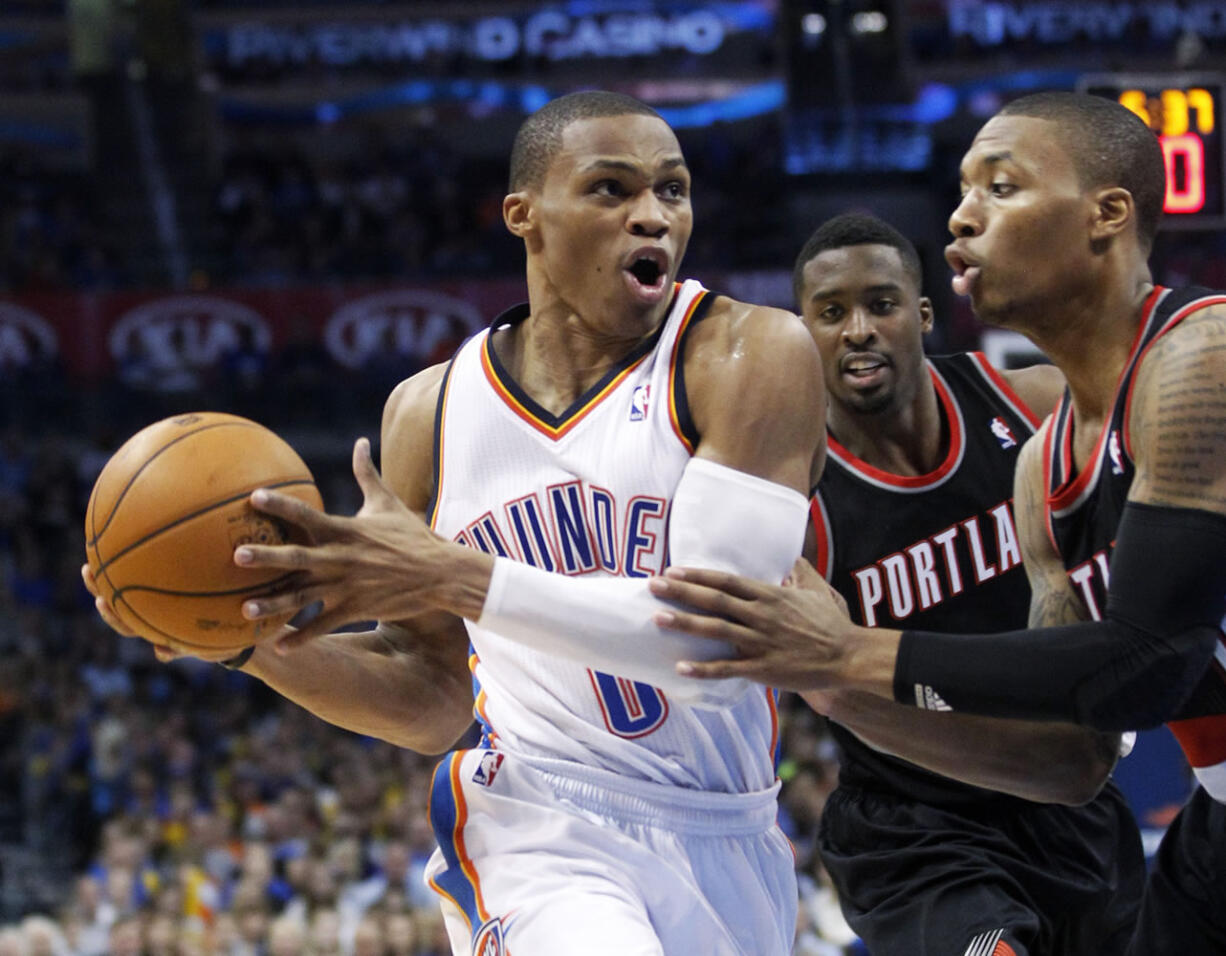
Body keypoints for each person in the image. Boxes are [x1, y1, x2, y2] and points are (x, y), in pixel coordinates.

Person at [84, 90, 825, 955]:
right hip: (540, 822)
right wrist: (249, 646)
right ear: (525, 216)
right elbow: (433, 694)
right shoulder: (429, 413)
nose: (652, 216)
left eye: (673, 189)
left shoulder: (751, 355)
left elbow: (712, 651)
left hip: (733, 830)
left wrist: (453, 574)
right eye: (611, 190)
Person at [647, 91, 1226, 953]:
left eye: (1001, 187)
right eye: (962, 190)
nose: (962, 216)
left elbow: (1145, 662)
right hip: (952, 820)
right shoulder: (1045, 466)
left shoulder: (1197, 356)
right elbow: (1075, 750)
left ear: (1107, 214)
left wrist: (849, 655)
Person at [788, 211, 1145, 955]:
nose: (857, 329)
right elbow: (834, 689)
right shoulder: (794, 505)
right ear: (804, 335)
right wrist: (1040, 761)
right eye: (831, 313)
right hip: (914, 830)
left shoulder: (1034, 405)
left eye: (880, 304)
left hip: (1074, 816)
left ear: (921, 315)